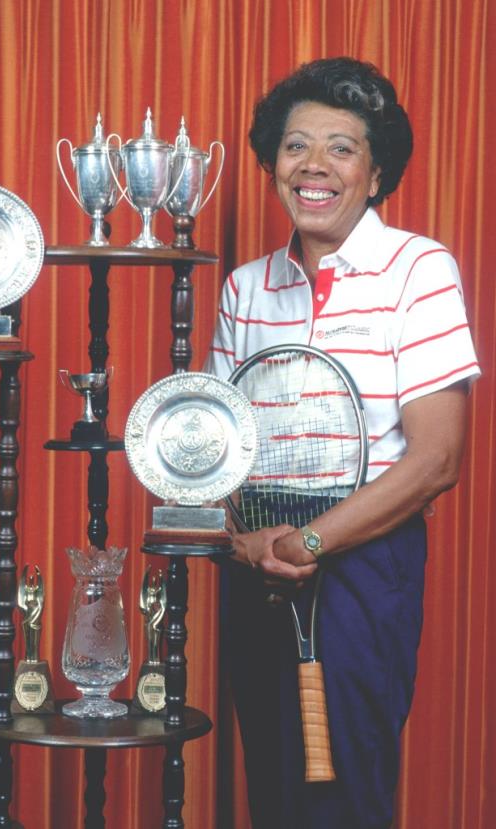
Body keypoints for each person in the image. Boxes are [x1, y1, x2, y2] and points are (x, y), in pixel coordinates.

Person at [205, 57, 480, 829]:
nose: (314, 166)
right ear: (272, 164)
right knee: (276, 783)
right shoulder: (246, 288)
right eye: (295, 146)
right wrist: (251, 542)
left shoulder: (417, 270)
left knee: (345, 792)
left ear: (376, 172)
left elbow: (437, 459)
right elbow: (219, 447)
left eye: (341, 147)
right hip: (260, 553)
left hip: (364, 554)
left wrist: (314, 541)